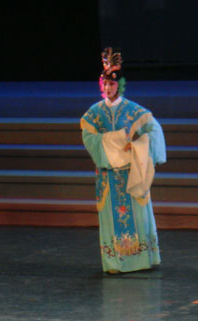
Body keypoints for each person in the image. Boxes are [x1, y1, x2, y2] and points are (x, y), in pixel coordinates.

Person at [80, 47, 167, 274]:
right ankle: (115, 263)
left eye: (112, 84)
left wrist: (140, 147)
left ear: (120, 85)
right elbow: (90, 139)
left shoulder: (133, 110)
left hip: (131, 173)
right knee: (111, 217)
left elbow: (154, 130)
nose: (108, 88)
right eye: (105, 84)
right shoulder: (94, 114)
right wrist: (118, 141)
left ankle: (141, 259)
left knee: (137, 216)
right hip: (108, 176)